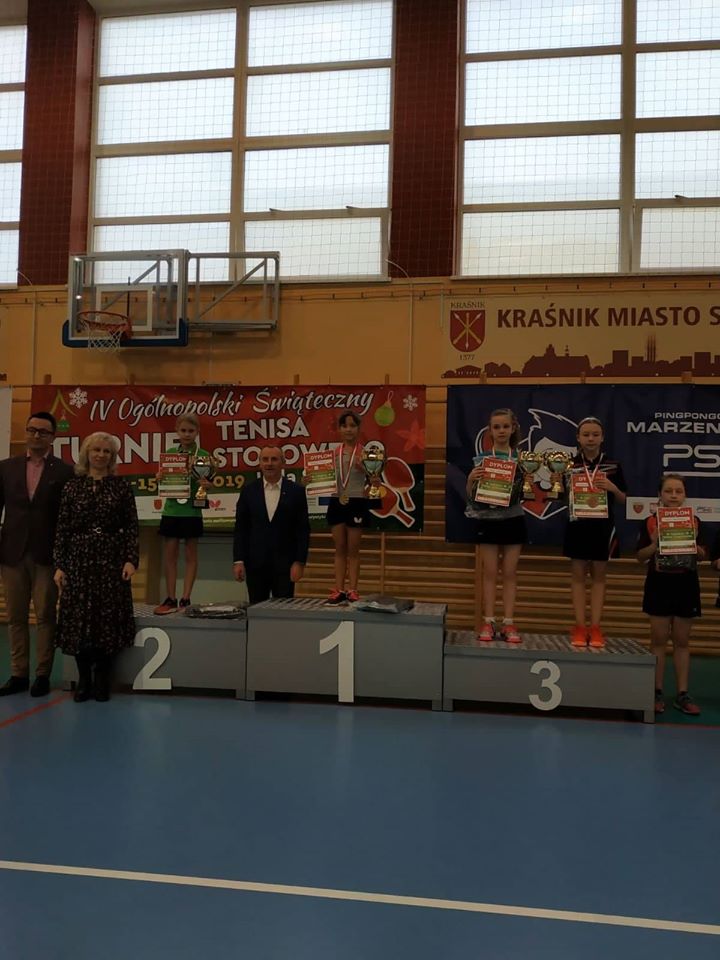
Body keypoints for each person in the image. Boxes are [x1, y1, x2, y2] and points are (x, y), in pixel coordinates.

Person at [54, 432, 139, 702]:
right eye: (96, 450)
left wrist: (130, 559)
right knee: (79, 620)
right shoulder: (72, 487)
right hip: (78, 560)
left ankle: (102, 678)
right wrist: (60, 564)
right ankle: (84, 680)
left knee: (107, 620)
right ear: (86, 453)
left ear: (112, 457)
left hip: (111, 560)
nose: (101, 455)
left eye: (106, 451)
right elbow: (62, 528)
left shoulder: (121, 487)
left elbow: (131, 526)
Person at [0, 411, 74, 697]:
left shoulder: (64, 472)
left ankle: (42, 674)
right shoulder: (6, 468)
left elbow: (67, 519)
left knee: (45, 616)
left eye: (43, 431)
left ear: (53, 437)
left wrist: (64, 556)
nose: (36, 435)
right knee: (15, 617)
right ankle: (18, 673)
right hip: (12, 553)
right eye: (32, 430)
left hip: (47, 554)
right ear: (26, 432)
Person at [636, 473, 704, 716]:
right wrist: (654, 544)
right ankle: (656, 691)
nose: (674, 496)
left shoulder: (694, 521)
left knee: (682, 641)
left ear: (685, 495)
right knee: (658, 640)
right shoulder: (650, 522)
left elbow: (703, 555)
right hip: (659, 584)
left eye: (678, 491)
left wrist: (693, 543)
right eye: (668, 491)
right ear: (660, 495)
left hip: (686, 584)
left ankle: (683, 694)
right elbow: (640, 556)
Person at [563, 416, 627, 648]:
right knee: (578, 577)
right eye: (586, 434)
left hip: (603, 527)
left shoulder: (613, 465)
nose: (590, 438)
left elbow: (624, 500)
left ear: (602, 438)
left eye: (595, 434)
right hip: (577, 526)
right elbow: (557, 496)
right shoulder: (567, 465)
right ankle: (580, 626)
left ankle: (596, 627)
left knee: (599, 577)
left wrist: (613, 488)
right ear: (578, 438)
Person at [465, 408, 526, 643]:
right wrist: (471, 479)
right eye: (496, 427)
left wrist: (527, 480)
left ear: (513, 429)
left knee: (510, 573)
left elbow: (527, 493)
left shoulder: (522, 459)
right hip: (488, 520)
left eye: (505, 426)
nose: (501, 431)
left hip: (513, 519)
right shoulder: (481, 459)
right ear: (490, 431)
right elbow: (471, 497)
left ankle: (508, 622)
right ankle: (488, 621)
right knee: (490, 572)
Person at [232, 445, 310, 604]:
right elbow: (241, 528)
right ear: (260, 463)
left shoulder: (296, 491)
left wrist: (299, 562)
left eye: (274, 459)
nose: (269, 463)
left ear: (283, 463)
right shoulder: (248, 491)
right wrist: (238, 560)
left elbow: (302, 530)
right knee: (256, 610)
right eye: (265, 459)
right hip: (255, 564)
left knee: (284, 612)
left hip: (285, 565)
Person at [154, 413, 209, 615]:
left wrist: (206, 484)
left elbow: (207, 484)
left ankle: (186, 597)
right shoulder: (170, 454)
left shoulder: (203, 455)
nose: (187, 434)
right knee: (170, 555)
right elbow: (163, 483)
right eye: (183, 430)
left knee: (191, 555)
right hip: (172, 510)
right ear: (177, 431)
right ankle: (170, 597)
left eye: (191, 431)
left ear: (197, 432)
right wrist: (160, 477)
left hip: (192, 511)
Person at [325, 411, 368, 604]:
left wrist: (365, 469)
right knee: (339, 547)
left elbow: (376, 480)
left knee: (353, 549)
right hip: (336, 501)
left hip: (357, 501)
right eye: (344, 426)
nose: (348, 429)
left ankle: (353, 590)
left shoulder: (366, 453)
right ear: (339, 429)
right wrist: (309, 479)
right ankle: (339, 589)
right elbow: (322, 477)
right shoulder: (332, 454)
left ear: (358, 428)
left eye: (352, 425)